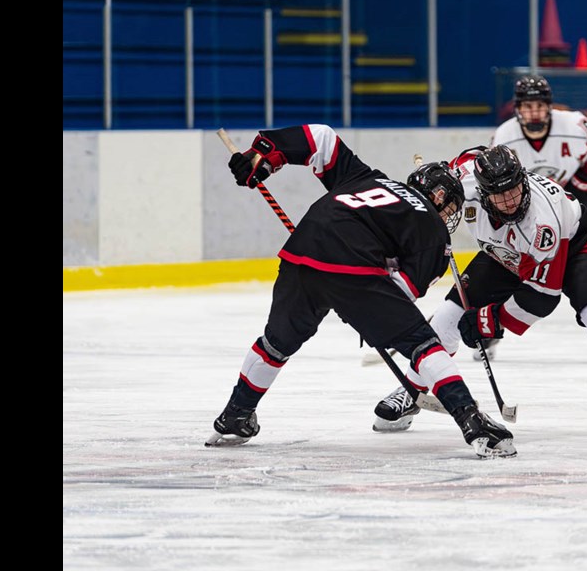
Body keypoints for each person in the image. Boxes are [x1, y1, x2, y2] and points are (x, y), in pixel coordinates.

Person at [205, 123, 516, 459]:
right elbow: (401, 295)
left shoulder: (366, 176)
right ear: (439, 198)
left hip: (300, 255)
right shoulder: (434, 231)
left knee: (276, 342)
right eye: (451, 207)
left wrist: (262, 155)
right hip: (354, 270)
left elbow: (319, 138)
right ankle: (472, 421)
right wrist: (361, 307)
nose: (450, 216)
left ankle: (235, 415)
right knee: (422, 342)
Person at [372, 145, 587, 433]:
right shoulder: (468, 176)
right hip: (504, 253)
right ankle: (412, 390)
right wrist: (430, 198)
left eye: (515, 189)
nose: (509, 200)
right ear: (482, 191)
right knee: (447, 317)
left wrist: (489, 320)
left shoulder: (541, 222)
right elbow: (446, 175)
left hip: (575, 247)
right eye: (499, 193)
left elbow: (542, 298)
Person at [483, 75, 587, 360]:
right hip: (526, 206)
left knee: (586, 262)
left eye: (539, 105)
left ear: (549, 106)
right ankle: (490, 333)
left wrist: (584, 180)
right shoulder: (504, 135)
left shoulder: (574, 124)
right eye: (527, 106)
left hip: (572, 200)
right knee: (510, 263)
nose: (533, 112)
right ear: (518, 109)